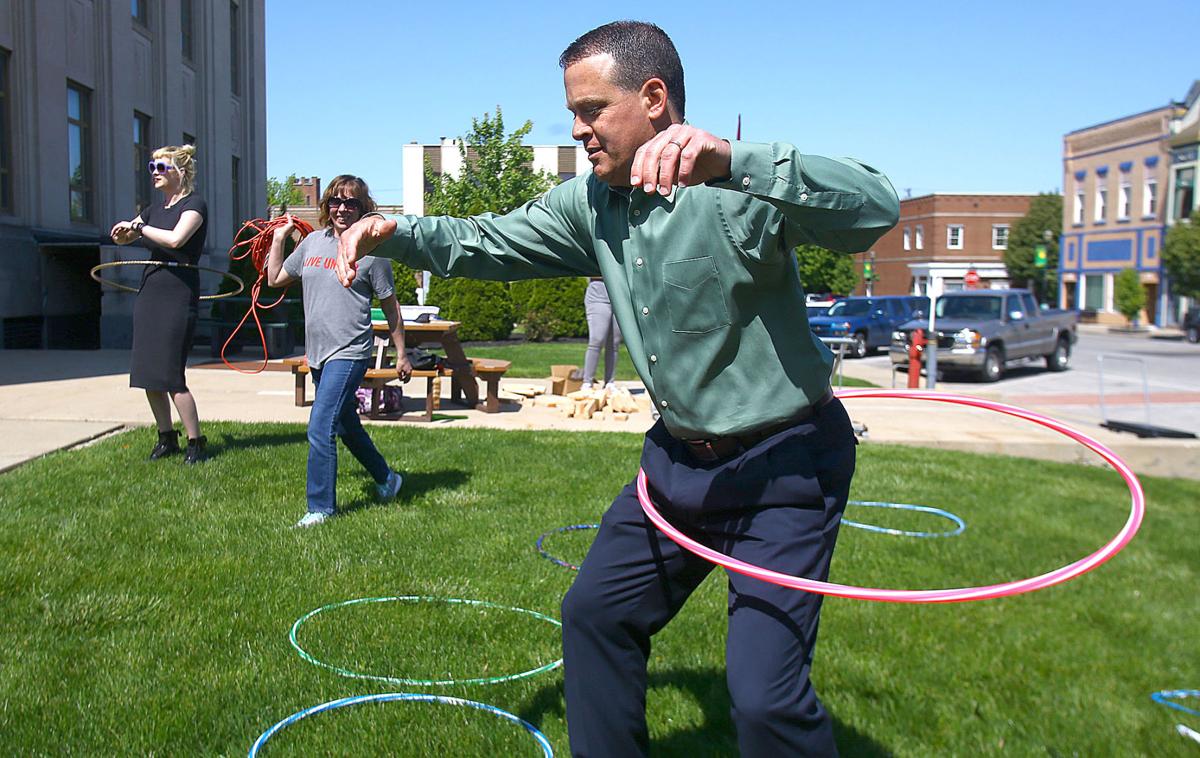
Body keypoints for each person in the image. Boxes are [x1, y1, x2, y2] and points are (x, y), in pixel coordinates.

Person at [337, 21, 898, 756]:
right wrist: (395, 232)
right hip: (675, 465)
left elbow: (874, 209)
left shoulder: (737, 187)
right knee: (596, 614)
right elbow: (487, 240)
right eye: (574, 114)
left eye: (592, 110)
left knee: (764, 700)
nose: (578, 130)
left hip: (784, 467)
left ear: (654, 98)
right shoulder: (591, 204)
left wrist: (735, 159)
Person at [265, 175, 409, 528]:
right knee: (346, 426)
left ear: (363, 209)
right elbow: (275, 279)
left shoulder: (372, 253)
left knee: (320, 425)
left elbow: (391, 307)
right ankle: (388, 479)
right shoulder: (313, 243)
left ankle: (320, 508)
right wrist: (279, 240)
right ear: (327, 206)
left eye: (352, 203)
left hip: (350, 351)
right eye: (336, 202)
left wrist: (401, 353)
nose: (342, 209)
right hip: (318, 353)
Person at [110, 144, 210, 464]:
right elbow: (131, 234)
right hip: (151, 290)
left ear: (180, 171)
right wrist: (123, 233)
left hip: (178, 293)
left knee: (171, 374)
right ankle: (166, 437)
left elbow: (176, 240)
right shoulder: (153, 210)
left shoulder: (194, 205)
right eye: (152, 166)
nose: (154, 172)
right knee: (147, 372)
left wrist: (138, 228)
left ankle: (196, 442)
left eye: (161, 167)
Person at [581, 277, 622, 390]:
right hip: (598, 293)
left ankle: (610, 382)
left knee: (614, 342)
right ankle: (587, 382)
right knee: (597, 339)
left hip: (620, 295)